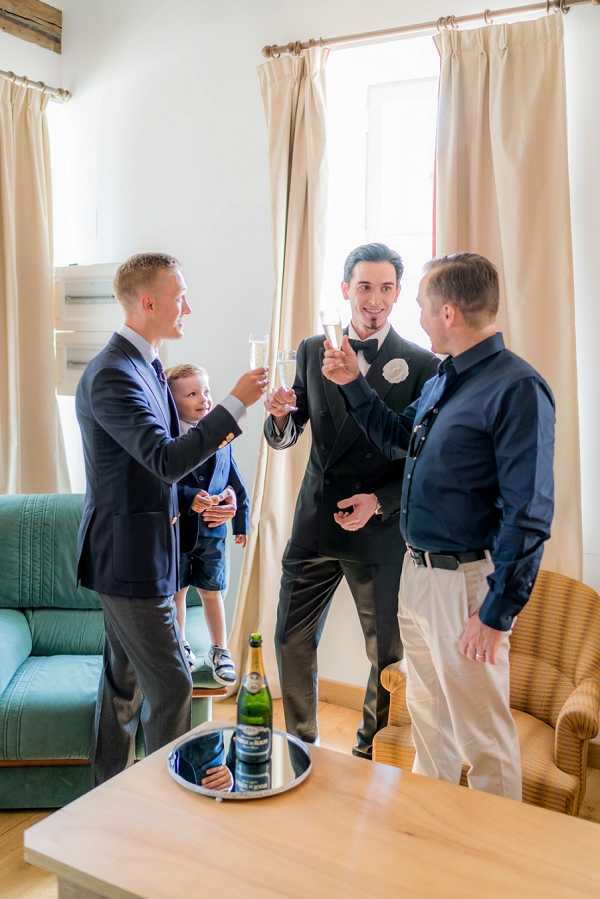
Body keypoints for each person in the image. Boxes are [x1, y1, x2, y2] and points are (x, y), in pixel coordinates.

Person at [322, 252, 555, 799]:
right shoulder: (445, 377)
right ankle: (432, 833)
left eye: (423, 305)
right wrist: (354, 383)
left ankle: (495, 848)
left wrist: (495, 613)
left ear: (448, 312)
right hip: (418, 576)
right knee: (430, 726)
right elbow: (399, 437)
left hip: (466, 586)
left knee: (483, 739)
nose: (419, 316)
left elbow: (529, 513)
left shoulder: (518, 388)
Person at [76, 253, 267, 785]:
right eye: (180, 296)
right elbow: (163, 458)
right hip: (128, 561)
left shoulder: (149, 365)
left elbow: (153, 474)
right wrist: (235, 404)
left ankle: (108, 794)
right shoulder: (113, 375)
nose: (189, 307)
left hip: (150, 555)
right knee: (173, 684)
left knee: (123, 685)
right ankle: (168, 801)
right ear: (148, 302)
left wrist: (204, 502)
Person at [264, 243, 438, 758]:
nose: (374, 299)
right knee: (290, 637)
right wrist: (279, 417)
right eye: (364, 287)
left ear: (399, 293)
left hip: (379, 528)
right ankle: (301, 744)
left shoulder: (422, 363)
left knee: (385, 653)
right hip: (316, 520)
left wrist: (379, 502)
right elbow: (288, 432)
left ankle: (369, 752)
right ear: (346, 289)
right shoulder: (312, 349)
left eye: (386, 288)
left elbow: (421, 456)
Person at [166, 362, 249, 685]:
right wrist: (187, 498)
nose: (203, 399)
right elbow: (164, 485)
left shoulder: (221, 438)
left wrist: (241, 523)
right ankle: (180, 644)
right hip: (178, 532)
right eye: (192, 394)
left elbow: (235, 481)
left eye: (206, 391)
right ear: (173, 401)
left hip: (213, 533)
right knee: (178, 592)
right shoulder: (168, 440)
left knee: (212, 591)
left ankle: (220, 649)